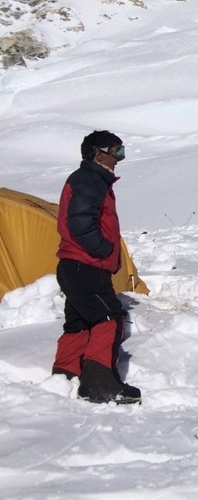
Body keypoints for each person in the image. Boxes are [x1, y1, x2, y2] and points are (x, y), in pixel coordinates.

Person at [51, 130, 141, 404]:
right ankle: (100, 385)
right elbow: (80, 222)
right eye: (117, 152)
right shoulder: (89, 179)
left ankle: (65, 373)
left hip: (77, 266)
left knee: (79, 321)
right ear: (98, 152)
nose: (119, 158)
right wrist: (104, 249)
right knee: (108, 318)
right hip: (85, 265)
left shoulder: (92, 179)